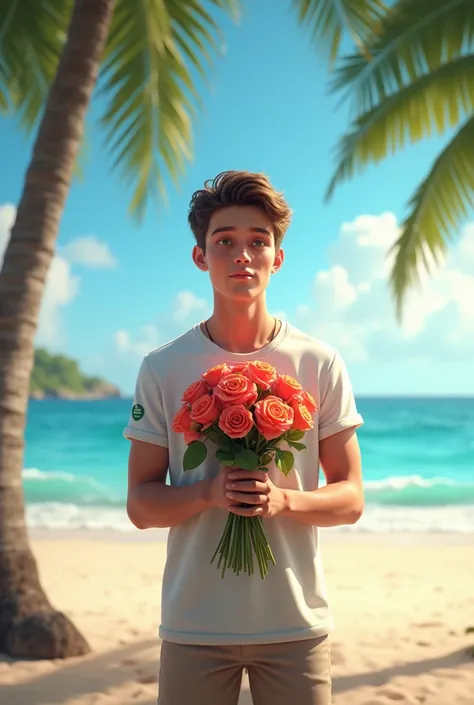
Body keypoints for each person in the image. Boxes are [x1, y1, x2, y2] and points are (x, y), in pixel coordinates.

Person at [123, 170, 364, 705]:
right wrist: (209, 493)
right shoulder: (162, 366)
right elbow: (141, 504)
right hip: (193, 624)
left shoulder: (318, 361)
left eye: (258, 242)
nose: (243, 255)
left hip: (296, 622)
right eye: (224, 241)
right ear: (200, 257)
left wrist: (282, 500)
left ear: (278, 258)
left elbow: (350, 498)